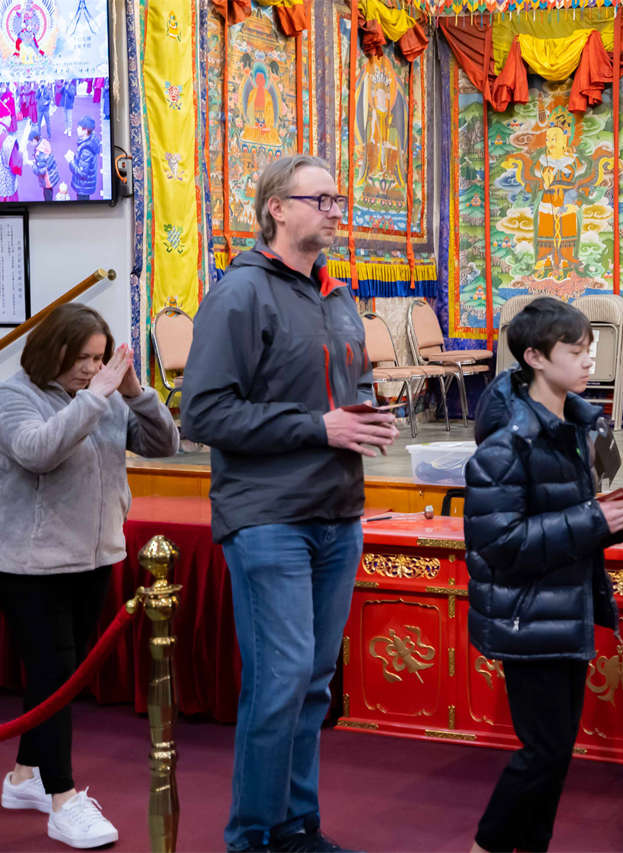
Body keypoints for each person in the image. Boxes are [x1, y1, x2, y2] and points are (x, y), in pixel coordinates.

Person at [181, 154, 398, 853]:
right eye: (320, 199)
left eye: (338, 199)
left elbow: (342, 390)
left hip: (337, 508)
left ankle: (295, 824)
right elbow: (204, 413)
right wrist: (319, 427)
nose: (335, 211)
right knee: (279, 682)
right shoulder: (240, 293)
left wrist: (365, 417)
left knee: (312, 684)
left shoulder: (336, 296)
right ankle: (252, 835)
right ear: (276, 207)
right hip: (268, 515)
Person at [0, 304, 180, 849]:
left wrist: (136, 393)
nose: (92, 369)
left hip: (94, 558)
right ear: (54, 350)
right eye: (83, 359)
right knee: (54, 676)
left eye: (99, 358)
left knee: (60, 677)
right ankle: (63, 800)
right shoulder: (11, 395)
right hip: (29, 565)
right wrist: (96, 398)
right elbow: (38, 452)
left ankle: (24, 777)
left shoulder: (105, 396)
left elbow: (165, 445)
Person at [464, 297, 623, 853]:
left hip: (565, 606)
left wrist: (612, 518)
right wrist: (595, 519)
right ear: (535, 357)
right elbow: (499, 544)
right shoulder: (507, 443)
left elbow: (577, 520)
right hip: (526, 614)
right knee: (542, 751)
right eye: (575, 350)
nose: (589, 360)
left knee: (555, 752)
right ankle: (485, 846)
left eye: (590, 348)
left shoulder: (579, 427)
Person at [66, 116, 101, 201]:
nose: (77, 129)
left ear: (85, 131)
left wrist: (71, 161)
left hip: (83, 187)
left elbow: (82, 173)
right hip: (86, 185)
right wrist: (75, 157)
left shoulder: (86, 151)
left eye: (79, 127)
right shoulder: (90, 140)